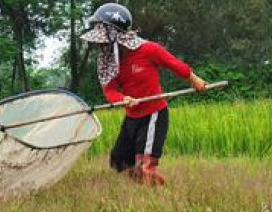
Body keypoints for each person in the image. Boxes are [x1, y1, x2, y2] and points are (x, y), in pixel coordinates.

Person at [81, 3, 208, 186]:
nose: (100, 45)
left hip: (153, 114)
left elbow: (174, 64)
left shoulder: (148, 49)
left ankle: (158, 193)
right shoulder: (108, 61)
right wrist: (122, 99)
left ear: (115, 36)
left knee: (145, 165)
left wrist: (194, 79)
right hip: (132, 117)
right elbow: (109, 90)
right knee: (119, 162)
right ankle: (139, 189)